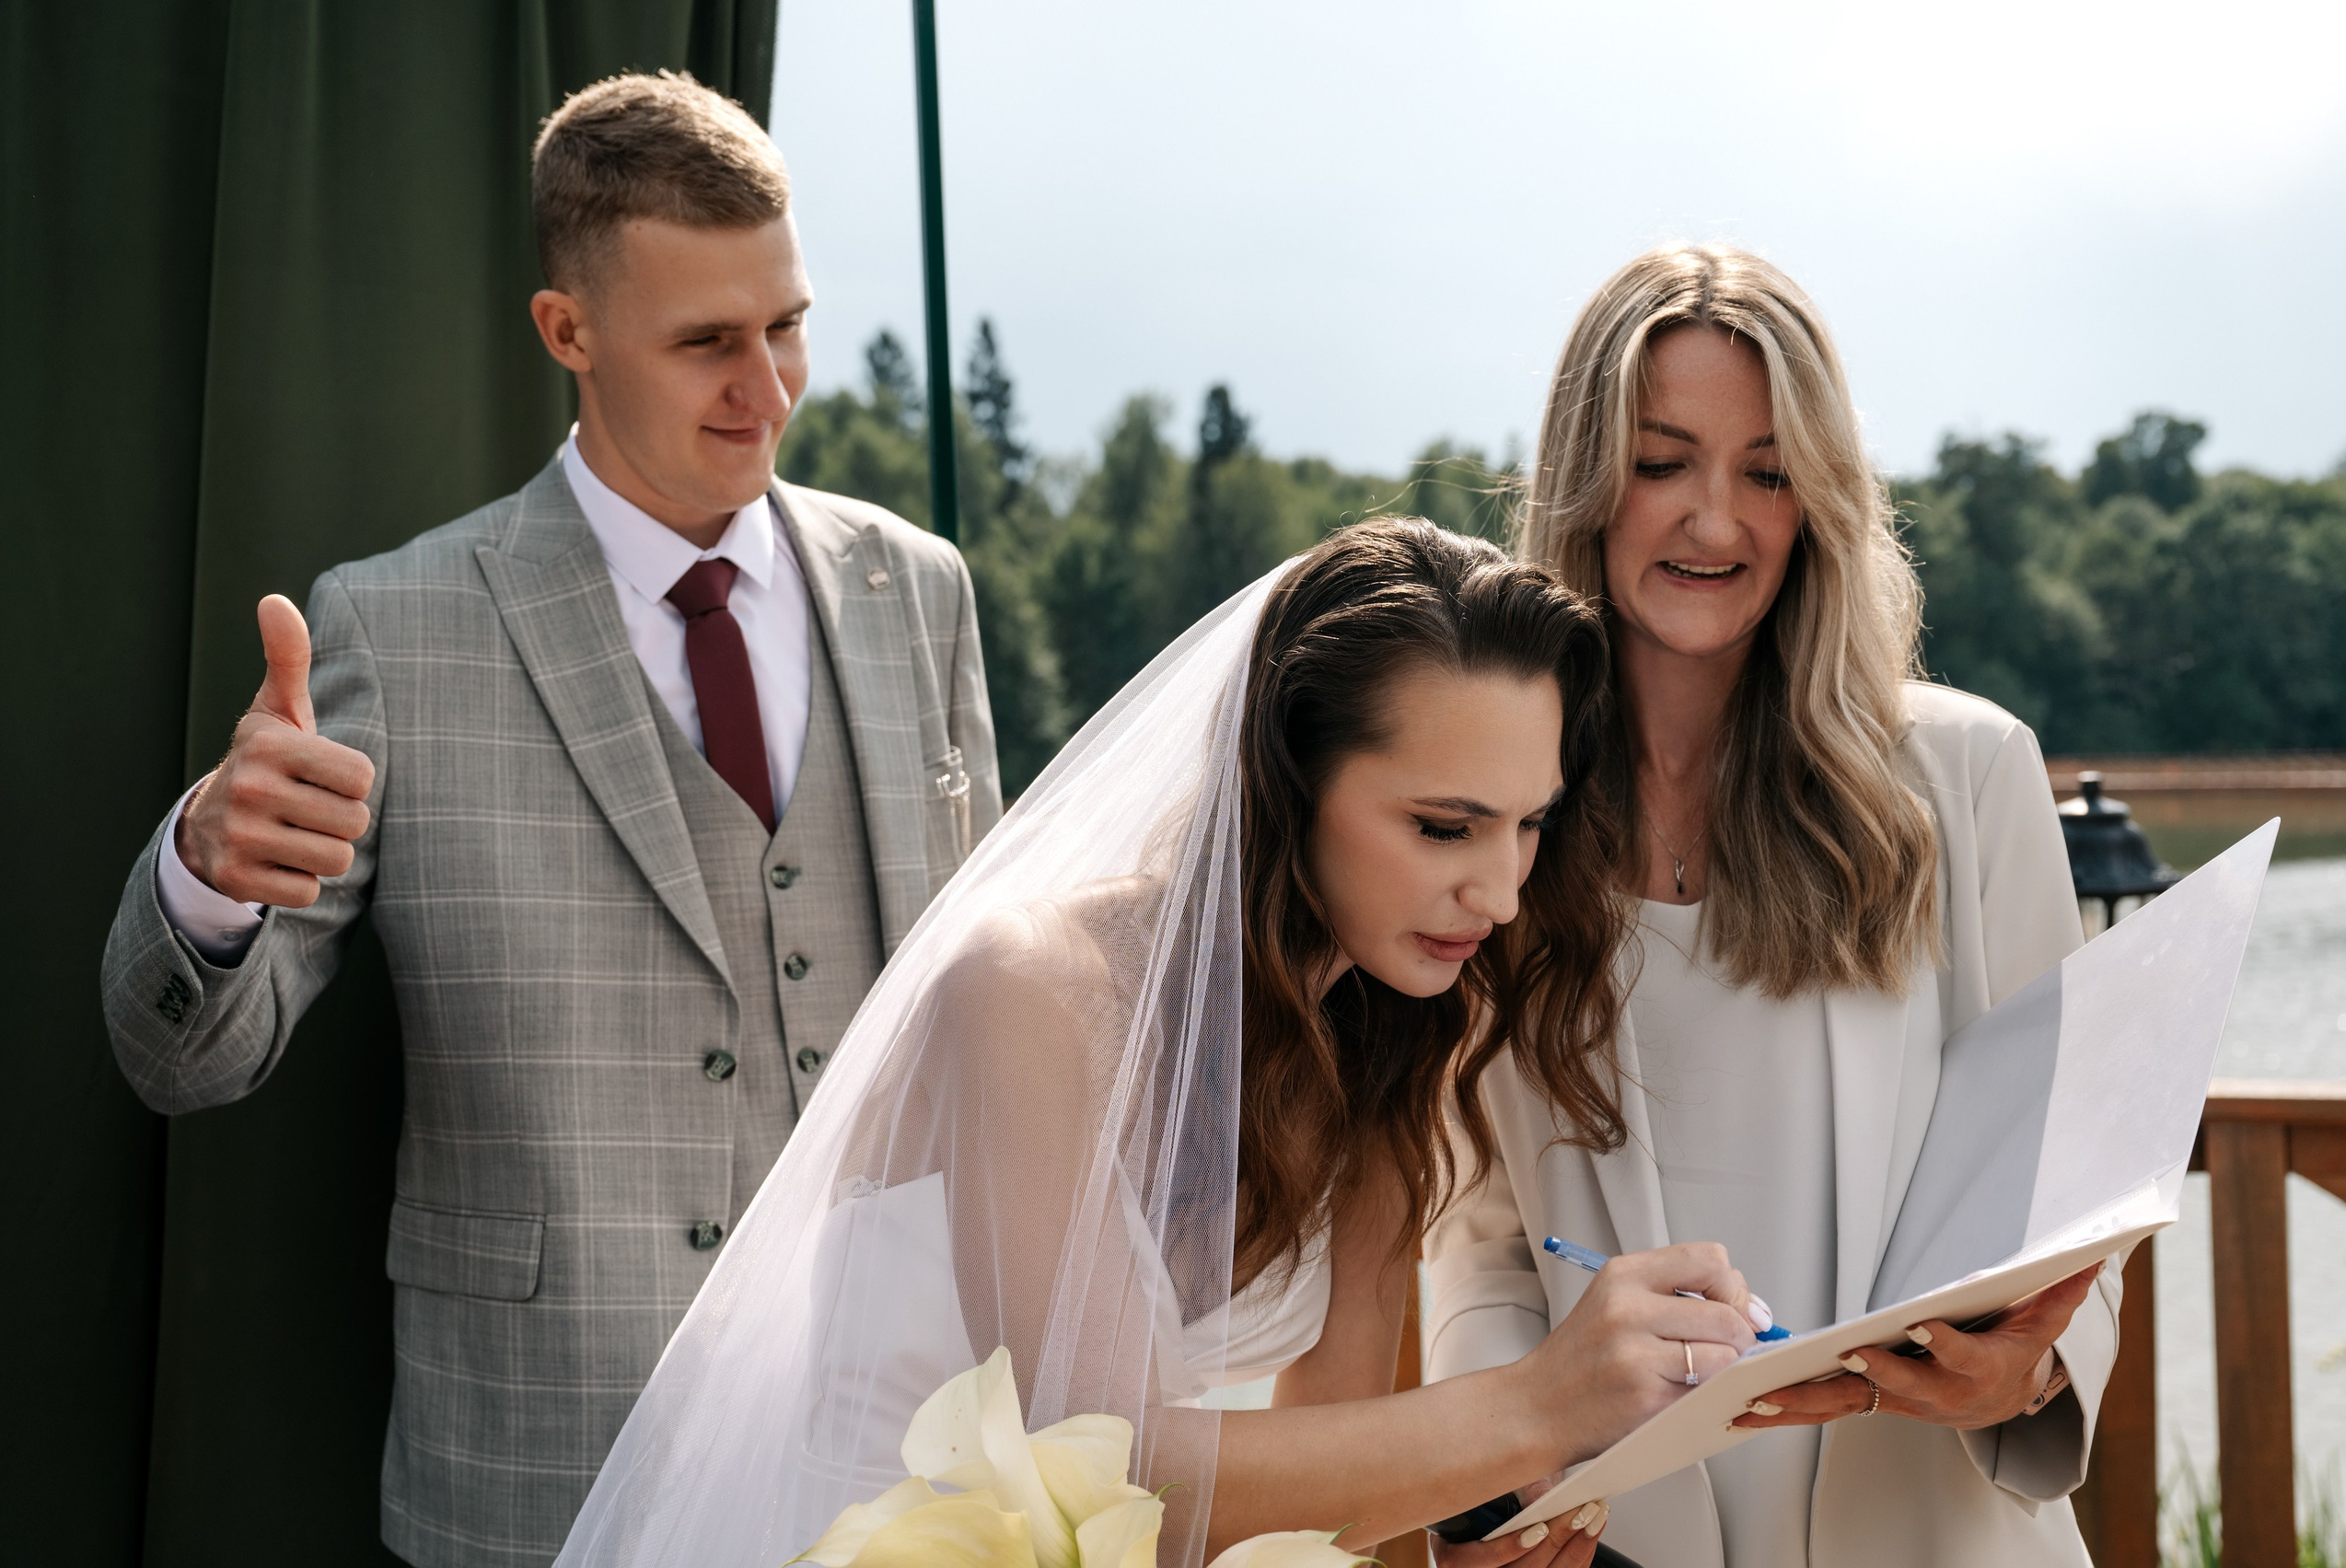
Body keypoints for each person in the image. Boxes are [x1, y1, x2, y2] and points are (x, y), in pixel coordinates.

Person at [99, 73, 1000, 1568]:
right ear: (566, 334)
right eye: (707, 342)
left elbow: (993, 1010)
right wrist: (207, 876)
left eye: (786, 326)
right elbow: (183, 1058)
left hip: (902, 1463)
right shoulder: (396, 625)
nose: (766, 392)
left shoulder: (920, 591)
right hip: (543, 1470)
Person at [556, 519, 1774, 1568]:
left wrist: (1480, 1521)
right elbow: (1107, 1458)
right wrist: (1534, 1403)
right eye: (1445, 827)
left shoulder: (1398, 1037)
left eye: (1528, 828)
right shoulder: (1026, 993)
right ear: (1288, 781)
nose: (1502, 896)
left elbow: (1323, 1481)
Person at [1423, 243, 2116, 1567]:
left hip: (1937, 1525)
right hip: (1617, 1537)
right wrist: (1499, 1470)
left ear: (1820, 502)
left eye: (1768, 470)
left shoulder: (1969, 776)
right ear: (1584, 480)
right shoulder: (1495, 819)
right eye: (1662, 459)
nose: (1716, 521)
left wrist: (2028, 1376)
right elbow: (1481, 1233)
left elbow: (2071, 1196)